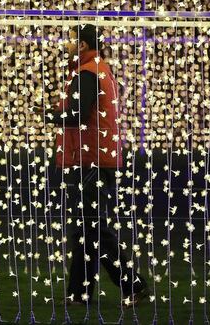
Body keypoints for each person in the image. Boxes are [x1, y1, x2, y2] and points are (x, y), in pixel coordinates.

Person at [39, 24, 149, 307]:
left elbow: (78, 115)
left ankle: (132, 285)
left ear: (83, 45)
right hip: (93, 157)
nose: (67, 46)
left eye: (71, 41)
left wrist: (51, 116)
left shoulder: (87, 72)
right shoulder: (98, 69)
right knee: (85, 229)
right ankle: (80, 292)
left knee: (93, 228)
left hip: (89, 160)